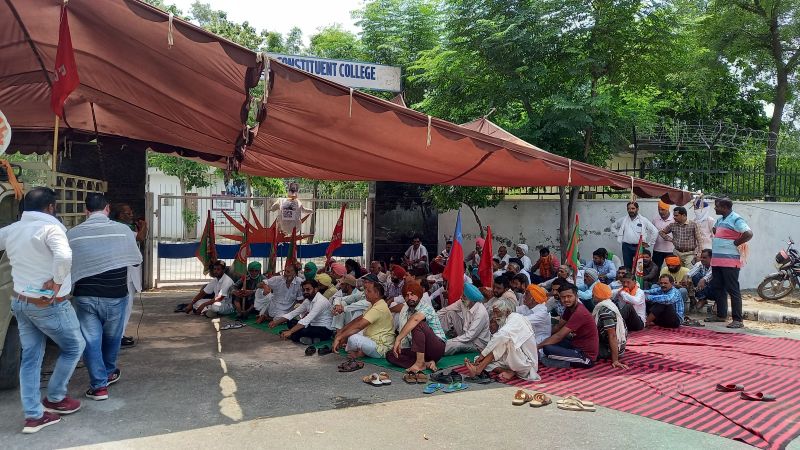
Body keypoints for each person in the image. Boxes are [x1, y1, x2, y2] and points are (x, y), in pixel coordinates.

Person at [1, 187, 84, 433]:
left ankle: (34, 416)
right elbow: (64, 256)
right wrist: (57, 282)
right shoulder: (51, 228)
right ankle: (56, 398)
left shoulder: (12, 230)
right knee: (74, 346)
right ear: (51, 207)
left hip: (21, 301)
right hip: (49, 304)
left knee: (31, 357)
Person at [68, 193, 142, 401]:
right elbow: (136, 261)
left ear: (86, 210)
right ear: (107, 209)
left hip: (85, 295)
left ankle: (99, 386)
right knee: (111, 338)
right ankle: (108, 371)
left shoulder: (72, 234)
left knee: (91, 341)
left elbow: (66, 263)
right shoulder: (123, 231)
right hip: (115, 294)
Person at [465, 299, 540, 382]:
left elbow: (501, 337)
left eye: (497, 312)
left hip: (527, 364)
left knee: (503, 342)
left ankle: (478, 369)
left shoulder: (516, 319)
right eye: (494, 312)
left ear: (507, 311)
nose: (494, 316)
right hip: (515, 359)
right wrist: (482, 357)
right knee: (480, 359)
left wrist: (483, 355)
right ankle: (508, 371)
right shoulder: (505, 321)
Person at [707, 198, 753, 328]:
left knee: (733, 290)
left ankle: (738, 320)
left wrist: (736, 242)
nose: (715, 208)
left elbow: (748, 233)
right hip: (717, 261)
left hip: (730, 261)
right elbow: (716, 230)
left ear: (725, 207)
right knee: (718, 287)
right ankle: (721, 315)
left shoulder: (736, 219)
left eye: (717, 206)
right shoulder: (720, 219)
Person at [110, 203, 147, 348]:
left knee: (125, 305)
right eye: (128, 213)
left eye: (131, 212)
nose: (132, 215)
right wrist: (144, 225)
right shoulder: (123, 228)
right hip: (125, 273)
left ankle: (118, 334)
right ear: (120, 215)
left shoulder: (120, 227)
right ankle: (117, 337)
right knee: (125, 305)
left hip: (124, 271)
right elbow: (141, 237)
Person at [388, 282, 446, 372]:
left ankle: (419, 364)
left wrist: (398, 338)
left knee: (418, 324)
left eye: (413, 294)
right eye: (407, 295)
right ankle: (426, 363)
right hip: (418, 350)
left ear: (419, 295)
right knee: (391, 354)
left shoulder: (426, 307)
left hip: (436, 347)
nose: (410, 297)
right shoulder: (405, 310)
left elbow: (415, 319)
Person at [539, 283, 598, 368]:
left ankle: (563, 363)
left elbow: (559, 335)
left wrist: (537, 346)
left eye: (569, 296)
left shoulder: (580, 312)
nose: (566, 299)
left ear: (576, 296)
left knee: (547, 348)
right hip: (575, 345)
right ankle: (559, 357)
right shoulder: (569, 309)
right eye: (563, 297)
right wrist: (544, 337)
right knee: (549, 341)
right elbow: (558, 327)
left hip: (586, 357)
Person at [333, 281, 395, 359]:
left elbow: (359, 326)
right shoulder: (373, 304)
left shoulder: (379, 307)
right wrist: (341, 333)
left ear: (377, 294)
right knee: (351, 333)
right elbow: (357, 320)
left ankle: (358, 352)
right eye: (365, 290)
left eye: (369, 291)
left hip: (381, 348)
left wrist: (340, 337)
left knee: (353, 338)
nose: (365, 293)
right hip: (372, 339)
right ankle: (358, 350)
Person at [268, 279, 335, 343]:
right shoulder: (308, 300)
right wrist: (276, 322)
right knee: (290, 322)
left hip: (325, 329)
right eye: (304, 290)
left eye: (308, 289)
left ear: (316, 289)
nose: (305, 292)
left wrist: (290, 331)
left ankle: (299, 336)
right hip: (312, 325)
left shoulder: (320, 301)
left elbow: (306, 320)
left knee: (300, 332)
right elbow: (293, 313)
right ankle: (310, 338)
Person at [442, 283, 491, 355]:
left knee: (454, 345)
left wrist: (452, 341)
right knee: (451, 313)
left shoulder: (481, 313)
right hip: (466, 335)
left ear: (471, 299)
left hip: (476, 344)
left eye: (464, 296)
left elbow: (470, 336)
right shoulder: (469, 305)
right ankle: (440, 336)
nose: (461, 297)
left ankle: (436, 352)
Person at [591, 283, 628, 369]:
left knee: (578, 346)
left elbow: (612, 335)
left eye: (594, 293)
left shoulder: (604, 310)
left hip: (609, 350)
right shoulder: (609, 304)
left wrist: (615, 360)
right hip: (614, 346)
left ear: (597, 295)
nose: (592, 295)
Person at [612, 201, 658, 269]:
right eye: (629, 209)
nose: (631, 210)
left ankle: (638, 280)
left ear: (637, 209)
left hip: (639, 247)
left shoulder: (643, 220)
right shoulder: (623, 219)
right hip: (626, 247)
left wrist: (650, 243)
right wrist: (619, 235)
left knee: (640, 267)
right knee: (627, 267)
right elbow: (613, 226)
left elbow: (655, 231)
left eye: (633, 208)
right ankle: (628, 279)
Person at [651, 200, 675, 269]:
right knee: (655, 269)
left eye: (663, 209)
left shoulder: (674, 219)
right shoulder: (655, 219)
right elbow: (652, 232)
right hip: (657, 249)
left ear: (668, 209)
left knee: (672, 269)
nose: (660, 212)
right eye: (659, 209)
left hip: (671, 250)